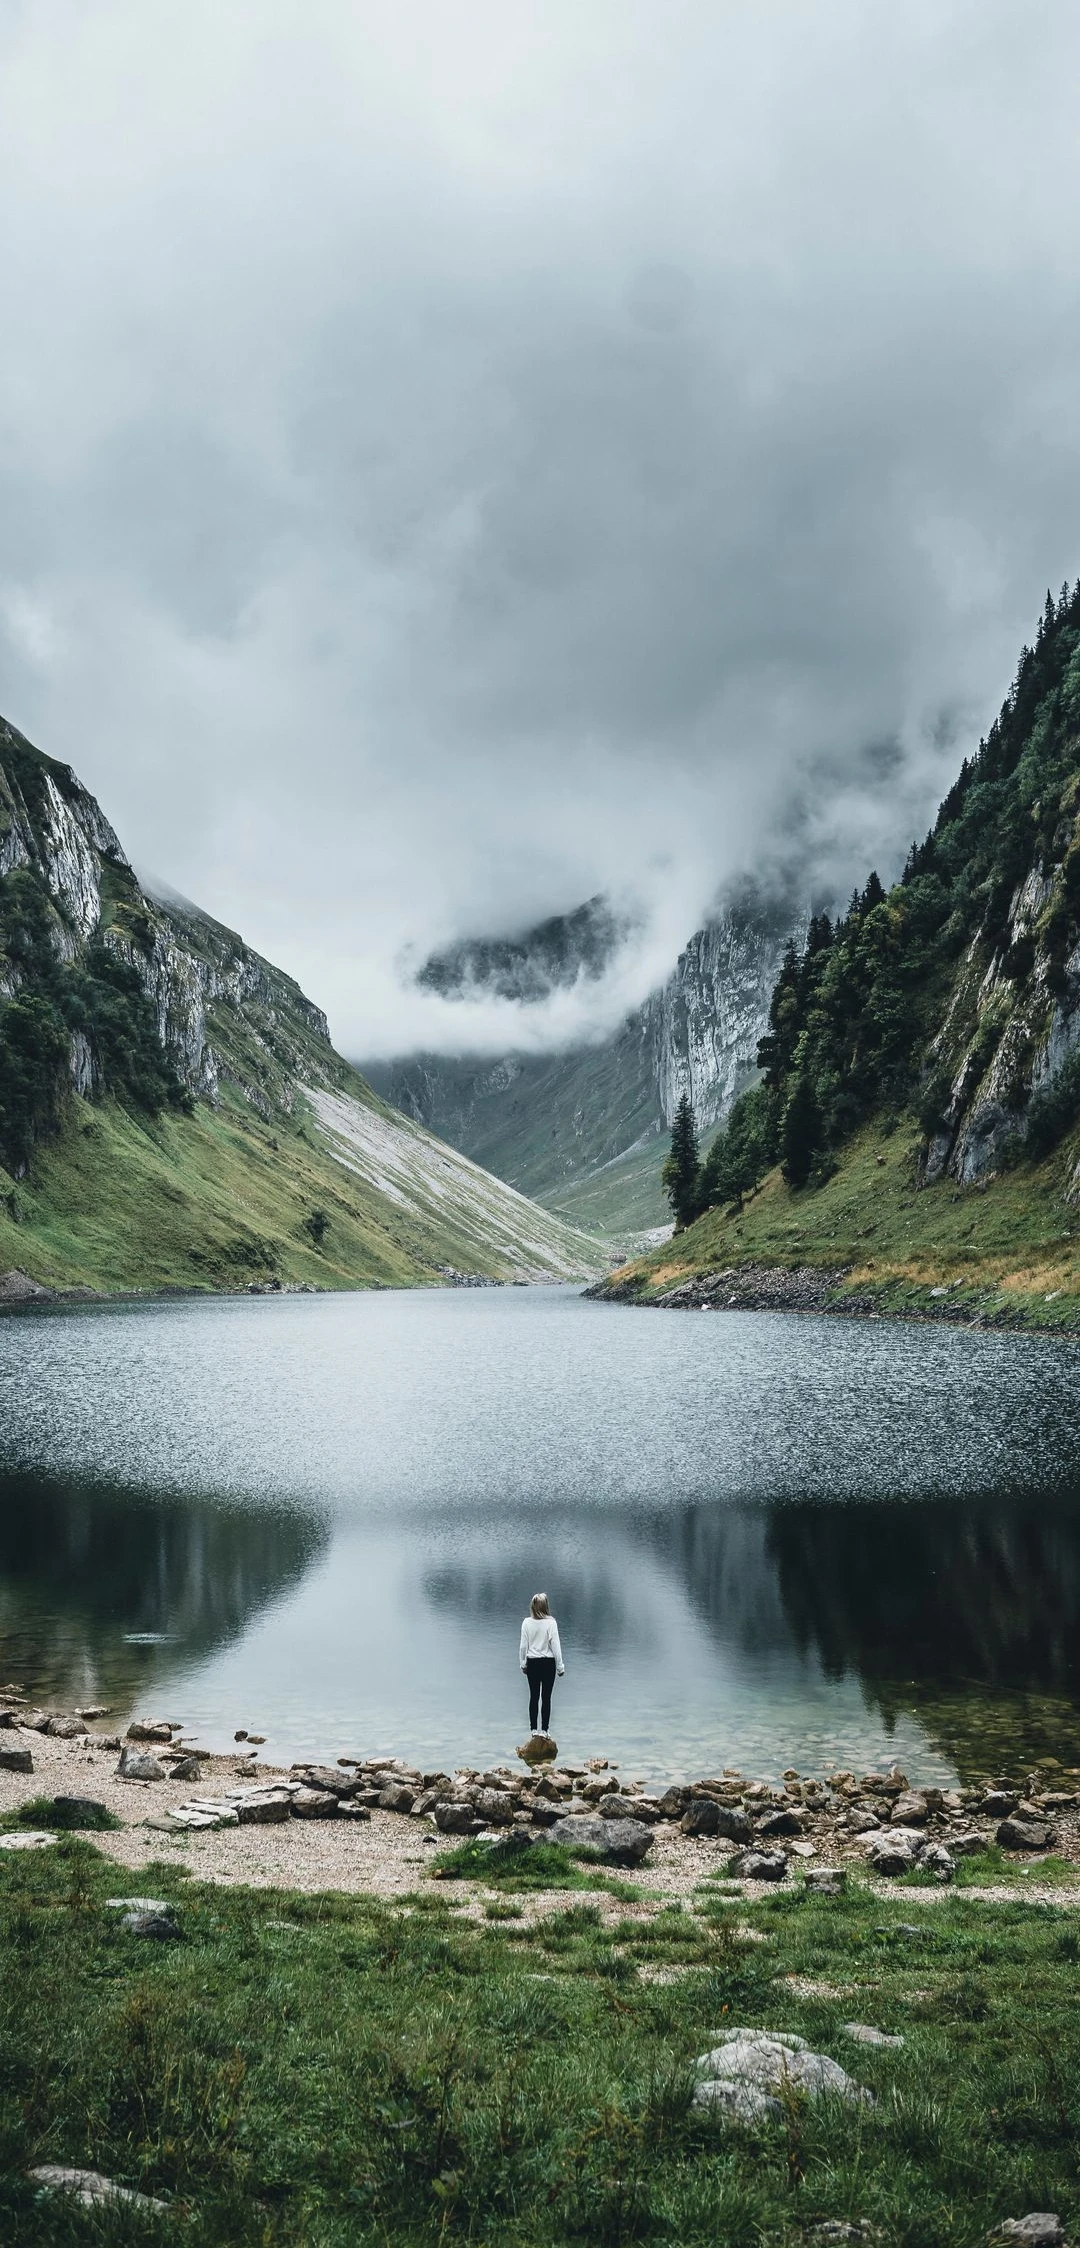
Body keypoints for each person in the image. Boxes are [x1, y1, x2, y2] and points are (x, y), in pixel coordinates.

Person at [519, 1591, 565, 1736]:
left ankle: (533, 1730)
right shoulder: (551, 1623)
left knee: (533, 1696)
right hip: (548, 1663)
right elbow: (556, 1646)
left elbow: (523, 1646)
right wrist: (560, 1666)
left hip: (532, 1662)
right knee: (546, 1697)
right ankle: (544, 1730)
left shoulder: (526, 1623)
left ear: (533, 1606)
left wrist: (523, 1663)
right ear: (546, 1606)